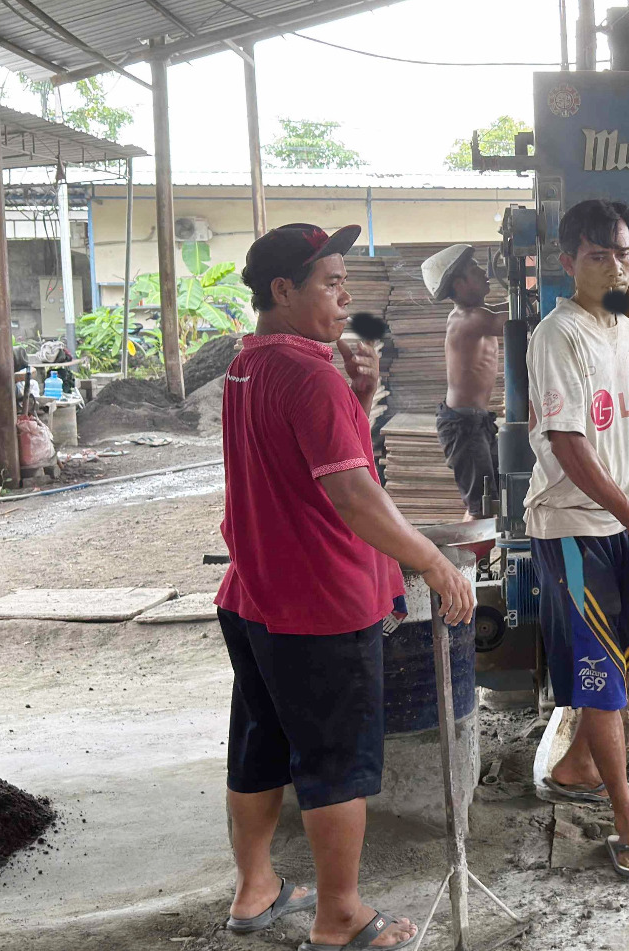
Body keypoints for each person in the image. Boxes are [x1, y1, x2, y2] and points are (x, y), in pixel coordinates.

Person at [216, 222, 476, 951]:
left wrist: (359, 397)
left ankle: (256, 888)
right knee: (335, 764)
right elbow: (355, 496)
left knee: (261, 744)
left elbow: (308, 463)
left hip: (254, 593)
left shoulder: (248, 365)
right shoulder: (309, 376)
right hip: (319, 603)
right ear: (283, 290)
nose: (344, 296)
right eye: (330, 283)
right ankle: (339, 917)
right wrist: (434, 562)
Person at [524, 198, 629, 878]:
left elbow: (622, 436)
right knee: (601, 670)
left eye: (624, 253)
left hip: (623, 517)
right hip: (572, 525)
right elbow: (570, 445)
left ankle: (580, 762)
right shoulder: (557, 335)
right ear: (567, 262)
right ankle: (626, 812)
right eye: (598, 255)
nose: (615, 267)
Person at [424, 244, 502, 519]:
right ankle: (469, 548)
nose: (484, 272)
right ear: (459, 284)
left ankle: (477, 544)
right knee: (482, 508)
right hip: (464, 425)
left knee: (494, 498)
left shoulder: (479, 313)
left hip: (476, 421)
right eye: (474, 268)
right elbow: (515, 319)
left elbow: (509, 309)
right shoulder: (468, 319)